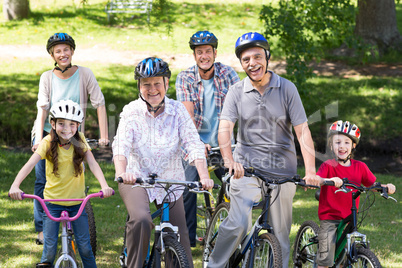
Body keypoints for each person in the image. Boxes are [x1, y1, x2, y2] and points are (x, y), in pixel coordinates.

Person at [207, 32, 320, 268]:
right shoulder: (236, 91)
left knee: (280, 235)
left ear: (267, 57)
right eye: (246, 60)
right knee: (238, 223)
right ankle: (214, 264)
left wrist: (310, 170)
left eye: (257, 57)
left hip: (283, 173)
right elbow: (225, 128)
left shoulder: (287, 89)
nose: (252, 63)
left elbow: (302, 131)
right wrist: (229, 161)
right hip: (245, 170)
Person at [112, 57, 214, 268]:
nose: (152, 89)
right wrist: (122, 172)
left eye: (157, 83)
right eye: (146, 84)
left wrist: (203, 175)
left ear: (166, 84)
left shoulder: (178, 111)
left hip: (170, 179)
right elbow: (120, 144)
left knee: (181, 240)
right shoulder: (131, 111)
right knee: (141, 220)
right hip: (136, 178)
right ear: (139, 86)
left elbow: (193, 143)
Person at [9, 100, 114, 268]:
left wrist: (104, 185)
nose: (67, 129)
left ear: (78, 125)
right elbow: (29, 164)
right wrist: (15, 185)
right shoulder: (47, 142)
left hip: (77, 203)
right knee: (49, 250)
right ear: (53, 123)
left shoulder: (80, 141)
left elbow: (93, 164)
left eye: (72, 124)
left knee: (86, 249)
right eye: (62, 124)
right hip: (52, 203)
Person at [32, 32, 109, 245]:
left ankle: (76, 219)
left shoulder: (85, 74)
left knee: (76, 175)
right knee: (42, 178)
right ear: (52, 55)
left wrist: (103, 136)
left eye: (66, 49)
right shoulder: (47, 77)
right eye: (58, 51)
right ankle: (42, 227)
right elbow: (42, 110)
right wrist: (39, 139)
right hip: (48, 132)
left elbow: (99, 103)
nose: (63, 53)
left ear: (72, 52)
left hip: (74, 134)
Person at [175, 30, 240, 246]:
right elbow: (188, 116)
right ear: (195, 55)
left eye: (208, 51)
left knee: (236, 184)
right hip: (194, 145)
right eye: (200, 52)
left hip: (224, 145)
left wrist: (224, 146)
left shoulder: (228, 74)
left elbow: (235, 110)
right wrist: (198, 144)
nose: (204, 56)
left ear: (215, 53)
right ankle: (188, 239)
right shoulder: (185, 78)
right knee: (188, 186)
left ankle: (233, 233)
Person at [315, 120, 396, 268]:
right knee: (326, 257)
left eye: (347, 142)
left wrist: (386, 187)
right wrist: (329, 180)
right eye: (337, 142)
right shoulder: (328, 165)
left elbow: (372, 184)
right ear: (331, 146)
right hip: (330, 217)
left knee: (345, 253)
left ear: (353, 146)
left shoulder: (361, 167)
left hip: (349, 216)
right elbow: (318, 179)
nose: (342, 146)